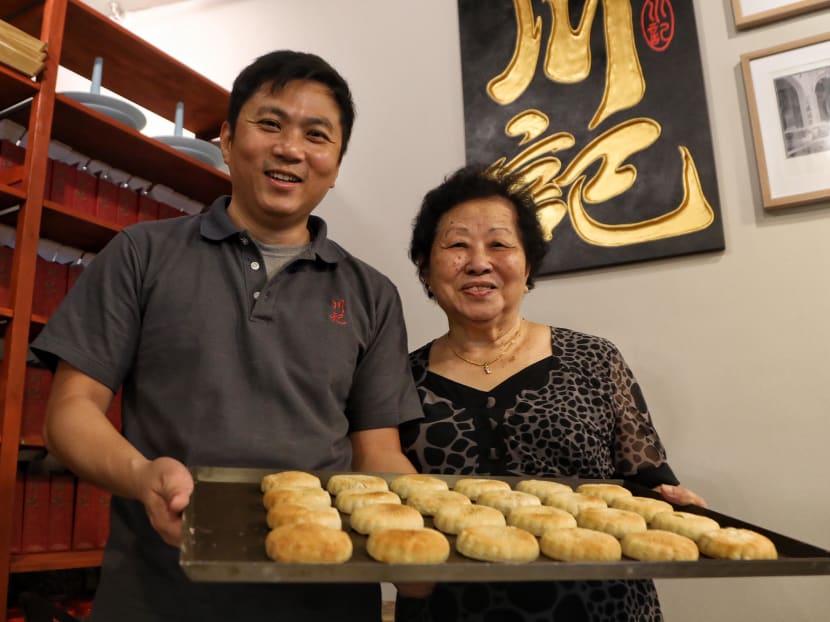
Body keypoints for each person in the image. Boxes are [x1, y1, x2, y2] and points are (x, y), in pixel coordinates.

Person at [31, 50, 421, 622]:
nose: (290, 148)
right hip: (158, 592)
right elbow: (69, 413)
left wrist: (423, 526)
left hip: (324, 597)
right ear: (227, 138)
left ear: (335, 166)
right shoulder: (142, 254)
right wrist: (143, 476)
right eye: (270, 123)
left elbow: (377, 451)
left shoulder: (372, 292)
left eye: (317, 135)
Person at [396, 163, 706, 622]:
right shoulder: (399, 378)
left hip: (600, 607)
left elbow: (647, 481)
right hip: (450, 609)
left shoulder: (595, 359)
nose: (479, 261)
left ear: (527, 264)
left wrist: (681, 507)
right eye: (457, 245)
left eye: (499, 244)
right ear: (426, 266)